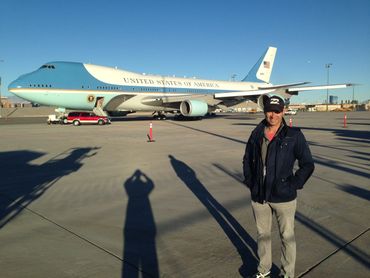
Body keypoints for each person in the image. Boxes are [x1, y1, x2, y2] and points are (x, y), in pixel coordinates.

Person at [243, 94, 314, 278]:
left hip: (284, 197)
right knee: (262, 236)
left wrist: (293, 184)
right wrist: (251, 182)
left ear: (283, 111)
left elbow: (307, 164)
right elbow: (247, 159)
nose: (272, 115)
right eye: (269, 111)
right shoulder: (256, 133)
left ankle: (287, 274)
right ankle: (263, 270)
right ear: (264, 112)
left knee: (287, 237)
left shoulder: (294, 135)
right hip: (260, 196)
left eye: (276, 111)